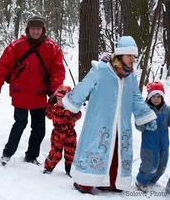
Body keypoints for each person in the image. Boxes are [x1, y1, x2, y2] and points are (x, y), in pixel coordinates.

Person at [61, 36, 157, 194]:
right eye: (129, 56)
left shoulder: (131, 76)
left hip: (122, 123)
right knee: (97, 148)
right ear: (120, 55)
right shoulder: (101, 69)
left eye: (134, 56)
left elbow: (136, 98)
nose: (133, 59)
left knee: (117, 151)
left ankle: (111, 182)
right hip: (100, 122)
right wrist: (71, 105)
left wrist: (147, 117)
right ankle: (85, 181)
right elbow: (84, 87)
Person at [0, 15, 65, 165]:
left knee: (39, 128)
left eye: (38, 29)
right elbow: (3, 66)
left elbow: (57, 70)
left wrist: (55, 90)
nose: (36, 32)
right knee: (20, 124)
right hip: (20, 94)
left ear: (43, 30)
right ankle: (7, 153)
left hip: (39, 95)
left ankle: (31, 156)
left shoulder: (52, 47)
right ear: (28, 29)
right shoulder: (17, 46)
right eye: (33, 29)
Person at [135, 81, 170, 192]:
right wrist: (145, 124)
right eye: (153, 96)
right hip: (149, 145)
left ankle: (152, 181)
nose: (156, 99)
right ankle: (141, 181)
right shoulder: (145, 110)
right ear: (149, 97)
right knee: (150, 165)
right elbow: (138, 125)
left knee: (162, 165)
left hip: (164, 144)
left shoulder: (167, 109)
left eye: (158, 96)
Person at [43, 85, 81, 177]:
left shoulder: (72, 111)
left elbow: (79, 115)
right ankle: (48, 168)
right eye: (58, 99)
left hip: (70, 135)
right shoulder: (54, 109)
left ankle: (69, 170)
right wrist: (50, 101)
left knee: (71, 153)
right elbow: (47, 113)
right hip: (57, 135)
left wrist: (75, 105)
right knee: (55, 153)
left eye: (62, 99)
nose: (59, 101)